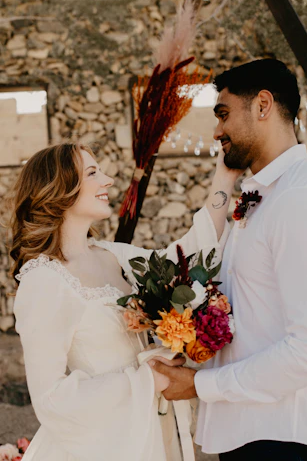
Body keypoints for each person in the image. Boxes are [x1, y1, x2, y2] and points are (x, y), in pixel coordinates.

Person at [10, 141, 239, 461]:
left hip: (152, 435)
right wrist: (148, 380)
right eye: (93, 173)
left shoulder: (113, 255)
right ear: (60, 189)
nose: (108, 180)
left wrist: (224, 179)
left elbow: (187, 256)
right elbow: (51, 399)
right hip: (105, 447)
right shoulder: (44, 281)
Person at [151, 58, 307, 461]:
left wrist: (200, 385)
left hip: (280, 435)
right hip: (250, 430)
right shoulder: (258, 197)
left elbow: (306, 348)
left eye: (223, 114)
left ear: (262, 106)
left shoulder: (297, 199)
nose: (217, 131)